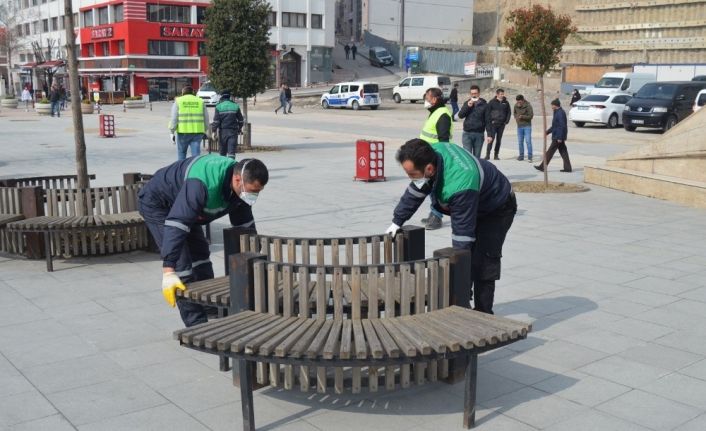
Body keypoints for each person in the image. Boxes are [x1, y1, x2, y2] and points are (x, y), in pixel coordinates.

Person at [386, 139, 516, 314]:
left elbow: (462, 237)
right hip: (475, 200)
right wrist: (396, 221)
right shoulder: (431, 152)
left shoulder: (460, 182)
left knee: (483, 259)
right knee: (469, 258)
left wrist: (459, 269)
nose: (411, 179)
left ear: (429, 169)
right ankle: (464, 302)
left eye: (412, 174)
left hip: (497, 208)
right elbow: (415, 192)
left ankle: (483, 314)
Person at [138, 155, 269, 327]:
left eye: (257, 192)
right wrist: (168, 270)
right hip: (160, 204)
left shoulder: (241, 188)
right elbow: (178, 224)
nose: (253, 196)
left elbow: (244, 225)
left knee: (200, 255)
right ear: (238, 180)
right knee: (182, 265)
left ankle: (209, 307)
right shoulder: (202, 184)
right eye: (252, 191)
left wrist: (254, 256)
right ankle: (196, 325)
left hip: (187, 207)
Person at [419, 87, 453, 230]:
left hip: (436, 158)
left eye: (427, 97)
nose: (425, 100)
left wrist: (437, 160)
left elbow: (443, 141)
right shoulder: (435, 112)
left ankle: (436, 217)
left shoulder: (442, 115)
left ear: (434, 99)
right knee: (431, 188)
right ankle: (434, 213)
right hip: (429, 157)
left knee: (435, 188)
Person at [169, 86, 209, 161]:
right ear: (193, 92)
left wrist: (172, 131)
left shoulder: (178, 101)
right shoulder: (200, 101)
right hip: (197, 132)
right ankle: (194, 170)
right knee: (196, 156)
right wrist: (206, 130)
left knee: (182, 153)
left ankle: (181, 171)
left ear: (182, 93)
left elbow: (174, 118)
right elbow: (206, 118)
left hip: (182, 133)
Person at [535, 99, 572, 173]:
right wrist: (547, 132)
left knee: (550, 151)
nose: (551, 106)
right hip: (557, 135)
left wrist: (560, 137)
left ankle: (542, 167)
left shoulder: (560, 113)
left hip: (558, 136)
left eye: (552, 105)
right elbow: (555, 125)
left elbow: (562, 126)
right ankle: (568, 168)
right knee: (563, 151)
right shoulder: (557, 112)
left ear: (555, 105)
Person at [458, 85, 490, 158]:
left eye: (475, 93)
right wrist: (468, 106)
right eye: (472, 94)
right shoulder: (467, 103)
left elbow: (488, 120)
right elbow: (460, 115)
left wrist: (489, 135)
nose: (474, 95)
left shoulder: (484, 105)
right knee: (467, 157)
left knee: (477, 158)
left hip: (479, 134)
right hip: (467, 133)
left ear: (479, 94)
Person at [211, 92, 244, 159]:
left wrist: (213, 131)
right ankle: (231, 167)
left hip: (223, 132)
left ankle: (223, 167)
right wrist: (239, 128)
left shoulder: (218, 106)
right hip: (233, 131)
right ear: (229, 97)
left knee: (222, 152)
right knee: (231, 152)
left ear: (222, 97)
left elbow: (216, 121)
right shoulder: (235, 106)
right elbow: (241, 120)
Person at [485, 88, 512, 160]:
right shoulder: (491, 102)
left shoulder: (506, 102)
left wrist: (506, 121)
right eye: (501, 94)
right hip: (493, 124)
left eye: (503, 94)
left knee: (499, 140)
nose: (502, 95)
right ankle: (487, 155)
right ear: (497, 94)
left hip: (501, 125)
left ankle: (496, 155)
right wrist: (490, 121)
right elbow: (487, 113)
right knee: (491, 139)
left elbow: (509, 112)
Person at [513, 95, 534, 162]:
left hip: (527, 126)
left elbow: (531, 116)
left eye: (520, 101)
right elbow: (514, 113)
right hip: (519, 126)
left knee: (528, 141)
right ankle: (521, 156)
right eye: (517, 101)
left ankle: (530, 157)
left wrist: (522, 117)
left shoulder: (528, 105)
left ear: (523, 100)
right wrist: (516, 118)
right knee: (520, 142)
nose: (519, 102)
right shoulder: (516, 105)